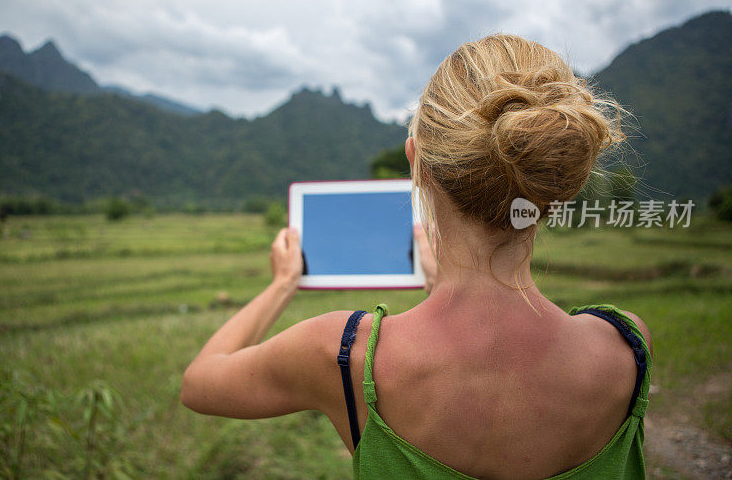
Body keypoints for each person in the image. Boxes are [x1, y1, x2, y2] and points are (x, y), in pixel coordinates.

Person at [181, 34, 652, 479]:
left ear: (417, 163)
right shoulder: (627, 347)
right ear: (559, 179)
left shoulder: (344, 355)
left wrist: (283, 283)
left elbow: (200, 383)